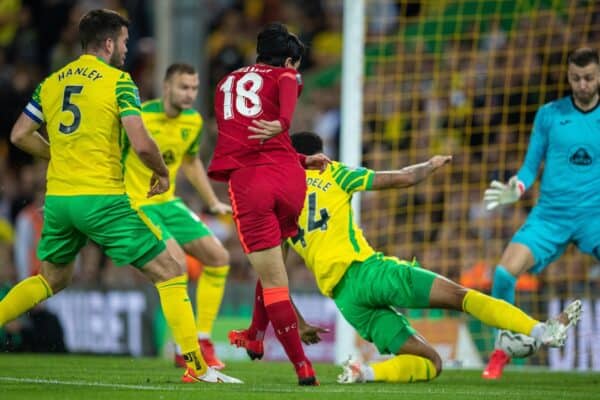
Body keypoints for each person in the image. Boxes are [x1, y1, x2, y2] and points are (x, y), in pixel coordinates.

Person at [0, 9, 240, 384]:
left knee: (50, 279)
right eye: (125, 42)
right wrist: (161, 172)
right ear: (109, 43)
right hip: (103, 200)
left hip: (60, 201)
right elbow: (143, 143)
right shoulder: (118, 82)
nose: (126, 49)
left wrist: (57, 154)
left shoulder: (51, 82)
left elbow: (18, 135)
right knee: (172, 271)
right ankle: (198, 365)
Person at [230, 131, 582, 384]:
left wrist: (301, 322)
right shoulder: (333, 171)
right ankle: (541, 329)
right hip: (369, 272)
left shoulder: (278, 209)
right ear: (318, 155)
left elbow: (272, 280)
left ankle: (363, 371)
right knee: (462, 298)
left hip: (346, 301)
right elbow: (399, 179)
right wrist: (429, 165)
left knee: (429, 362)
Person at [208, 23, 330, 386]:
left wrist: (282, 123)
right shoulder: (286, 75)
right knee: (275, 268)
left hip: (250, 182)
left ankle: (302, 366)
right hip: (289, 179)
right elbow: (289, 85)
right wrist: (289, 136)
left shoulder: (224, 84)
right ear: (289, 58)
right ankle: (255, 335)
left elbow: (245, 129)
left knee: (273, 279)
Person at [481, 47, 600, 380]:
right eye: (576, 78)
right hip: (550, 216)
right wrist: (516, 188)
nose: (583, 85)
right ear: (568, 77)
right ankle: (500, 349)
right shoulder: (549, 114)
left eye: (589, 78)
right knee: (504, 275)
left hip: (595, 217)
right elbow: (531, 166)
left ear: (599, 76)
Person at [124, 62, 231, 370]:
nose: (190, 94)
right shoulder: (139, 116)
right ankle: (185, 348)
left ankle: (203, 339)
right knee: (177, 264)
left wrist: (212, 201)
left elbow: (191, 161)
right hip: (137, 203)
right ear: (167, 86)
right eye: (184, 87)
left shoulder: (194, 121)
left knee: (218, 257)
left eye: (195, 88)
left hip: (168, 202)